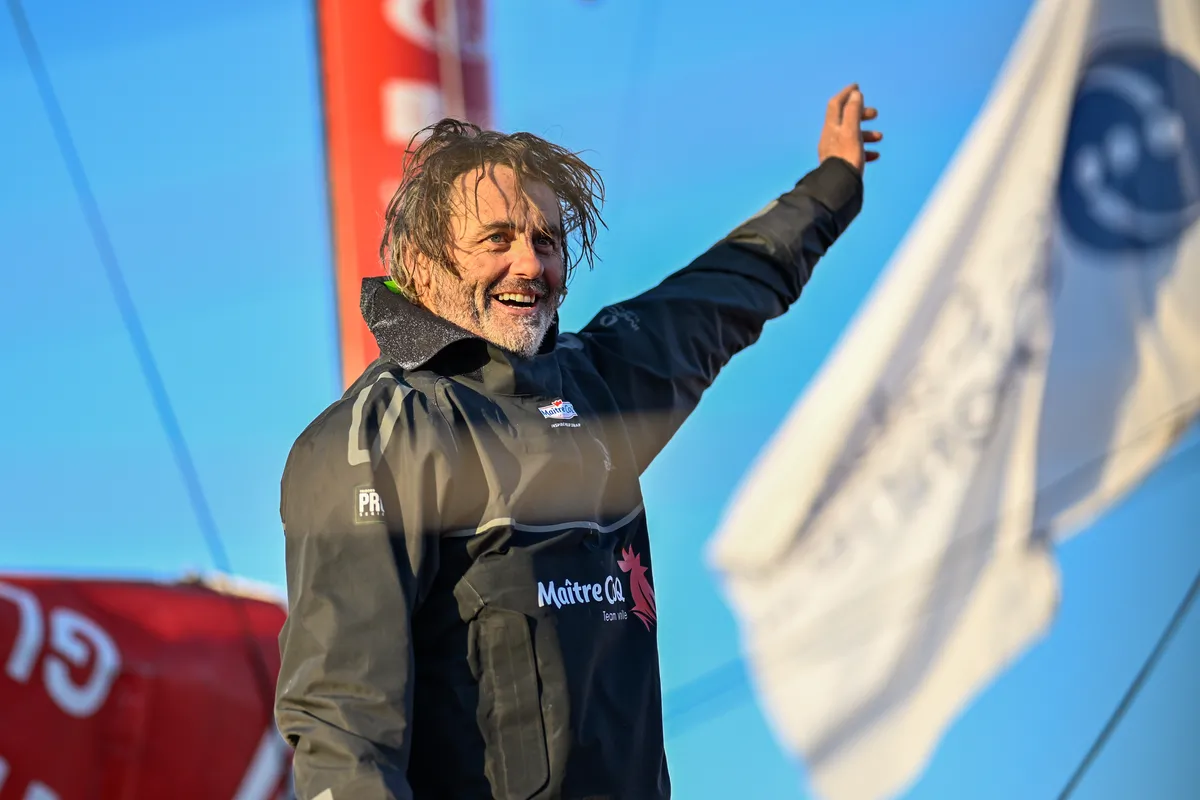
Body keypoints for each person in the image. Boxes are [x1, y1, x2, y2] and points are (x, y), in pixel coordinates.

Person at [276, 83, 882, 800]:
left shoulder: (600, 388)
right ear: (422, 262)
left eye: (546, 240)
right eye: (496, 240)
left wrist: (833, 186)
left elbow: (724, 291)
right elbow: (341, 726)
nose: (529, 265)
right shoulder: (374, 441)